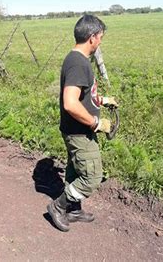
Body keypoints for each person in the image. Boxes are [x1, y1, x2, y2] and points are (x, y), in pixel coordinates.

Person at [47, 14, 118, 232]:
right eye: (100, 37)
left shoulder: (77, 60)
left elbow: (82, 96)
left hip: (75, 130)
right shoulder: (78, 63)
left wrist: (102, 100)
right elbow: (70, 103)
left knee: (75, 171)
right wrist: (97, 123)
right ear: (92, 37)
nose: (100, 42)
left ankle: (74, 209)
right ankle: (58, 207)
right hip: (79, 132)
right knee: (91, 176)